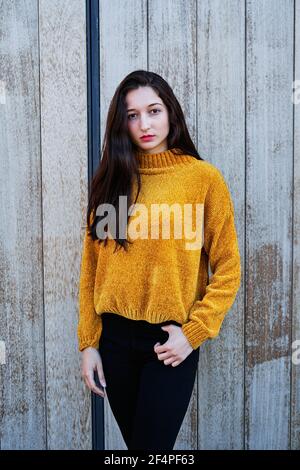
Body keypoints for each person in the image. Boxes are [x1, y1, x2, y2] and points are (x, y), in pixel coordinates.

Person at [77, 70, 241, 450]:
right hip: (115, 340)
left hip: (169, 343)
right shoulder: (113, 181)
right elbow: (92, 270)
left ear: (171, 113)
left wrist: (194, 332)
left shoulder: (202, 180)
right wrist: (89, 343)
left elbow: (228, 268)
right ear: (122, 123)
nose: (144, 124)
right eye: (132, 115)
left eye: (153, 110)